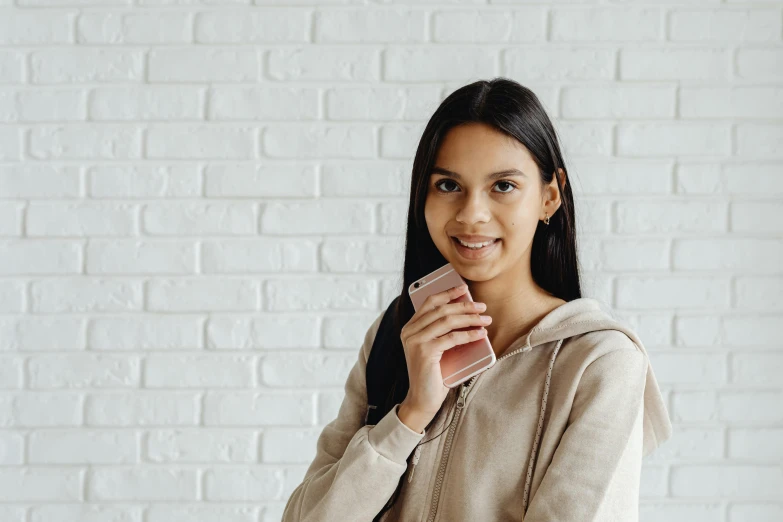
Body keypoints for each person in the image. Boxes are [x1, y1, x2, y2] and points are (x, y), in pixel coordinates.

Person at [281, 77, 672, 522]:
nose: (471, 215)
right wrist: (410, 416)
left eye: (503, 186)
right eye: (448, 185)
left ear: (550, 196)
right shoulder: (397, 335)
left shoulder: (600, 362)